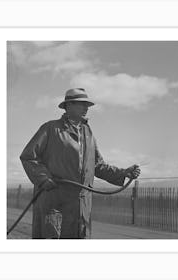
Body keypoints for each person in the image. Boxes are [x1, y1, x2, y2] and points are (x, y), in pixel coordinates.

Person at [20, 88, 141, 239]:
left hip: (81, 208)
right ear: (68, 105)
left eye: (87, 105)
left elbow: (97, 166)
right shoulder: (50, 129)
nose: (86, 108)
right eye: (81, 104)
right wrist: (43, 178)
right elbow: (28, 156)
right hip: (55, 202)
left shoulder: (88, 133)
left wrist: (124, 173)